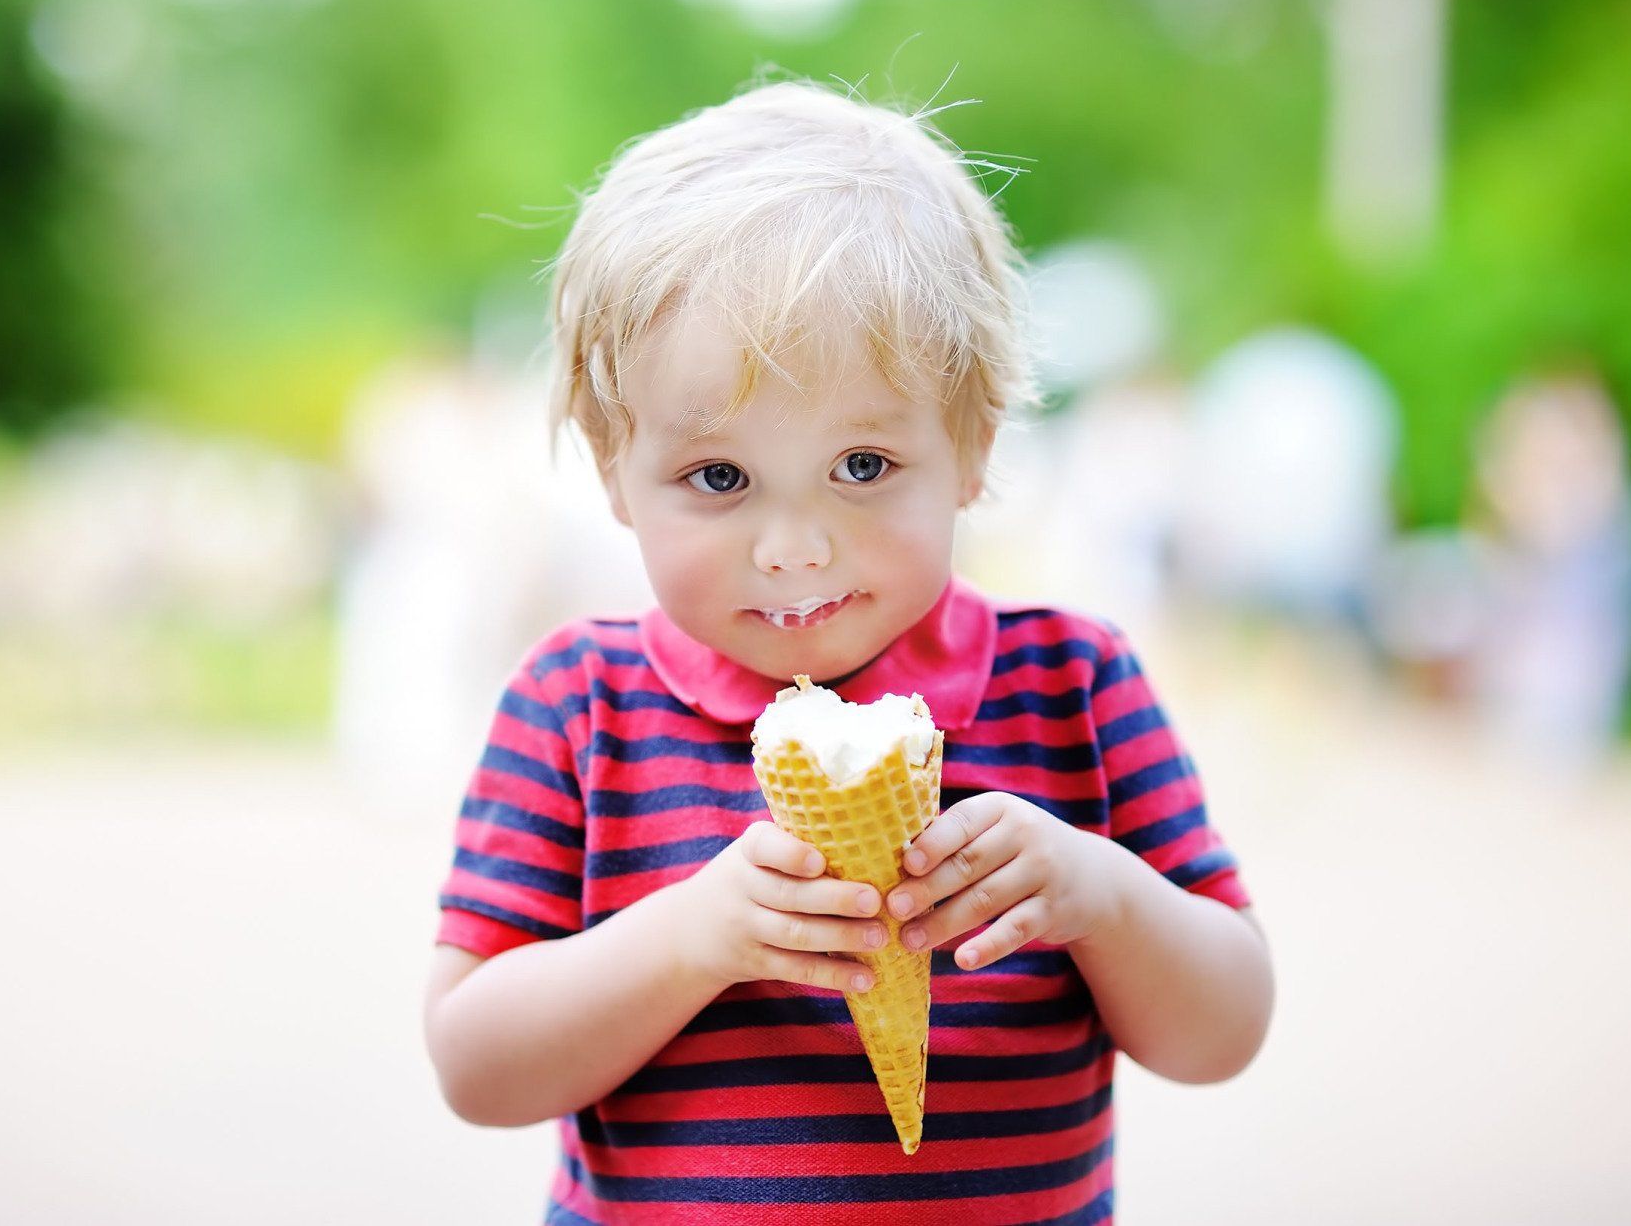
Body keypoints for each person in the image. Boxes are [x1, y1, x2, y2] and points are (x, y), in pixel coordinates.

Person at [423, 81, 1273, 1224]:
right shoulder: (580, 707)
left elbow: (1223, 1032)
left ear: (972, 445)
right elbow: (478, 1067)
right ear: (614, 467)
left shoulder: (1074, 685)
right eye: (719, 478)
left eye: (863, 466)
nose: (793, 547)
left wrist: (1102, 896)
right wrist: (687, 940)